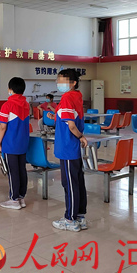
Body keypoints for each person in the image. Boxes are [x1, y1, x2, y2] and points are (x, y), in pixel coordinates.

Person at [49, 69, 88, 232]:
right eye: (58, 80)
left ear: (73, 83)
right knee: (77, 181)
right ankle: (80, 216)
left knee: (69, 183)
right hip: (73, 148)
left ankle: (70, 219)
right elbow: (69, 119)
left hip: (67, 147)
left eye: (63, 81)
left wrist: (80, 136)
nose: (59, 83)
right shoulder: (76, 97)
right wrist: (55, 117)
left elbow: (71, 126)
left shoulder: (66, 98)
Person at [0, 77, 30, 210]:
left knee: (12, 171)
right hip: (23, 142)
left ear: (10, 89)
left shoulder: (7, 105)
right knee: (22, 170)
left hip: (10, 143)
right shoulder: (26, 104)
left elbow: (2, 127)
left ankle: (14, 199)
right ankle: (21, 197)